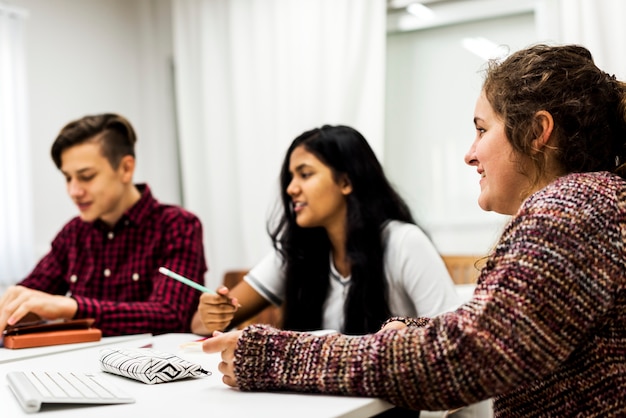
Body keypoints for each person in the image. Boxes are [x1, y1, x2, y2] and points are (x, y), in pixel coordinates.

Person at [203, 44, 626, 417]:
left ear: (537, 132)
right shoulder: (595, 204)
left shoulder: (573, 208)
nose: (469, 153)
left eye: (481, 129)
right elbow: (500, 336)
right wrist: (420, 333)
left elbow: (467, 360)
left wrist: (275, 355)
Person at [191, 125, 460, 336]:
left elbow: (453, 337)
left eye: (305, 174)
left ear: (345, 181)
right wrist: (213, 313)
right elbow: (201, 324)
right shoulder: (297, 251)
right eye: (291, 177)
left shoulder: (403, 242)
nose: (291, 189)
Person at [0, 113, 208, 337]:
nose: (73, 191)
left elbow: (171, 315)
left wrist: (73, 308)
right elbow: (29, 295)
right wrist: (15, 307)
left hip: (152, 366)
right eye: (68, 178)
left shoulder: (177, 226)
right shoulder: (73, 234)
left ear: (126, 169)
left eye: (86, 176)